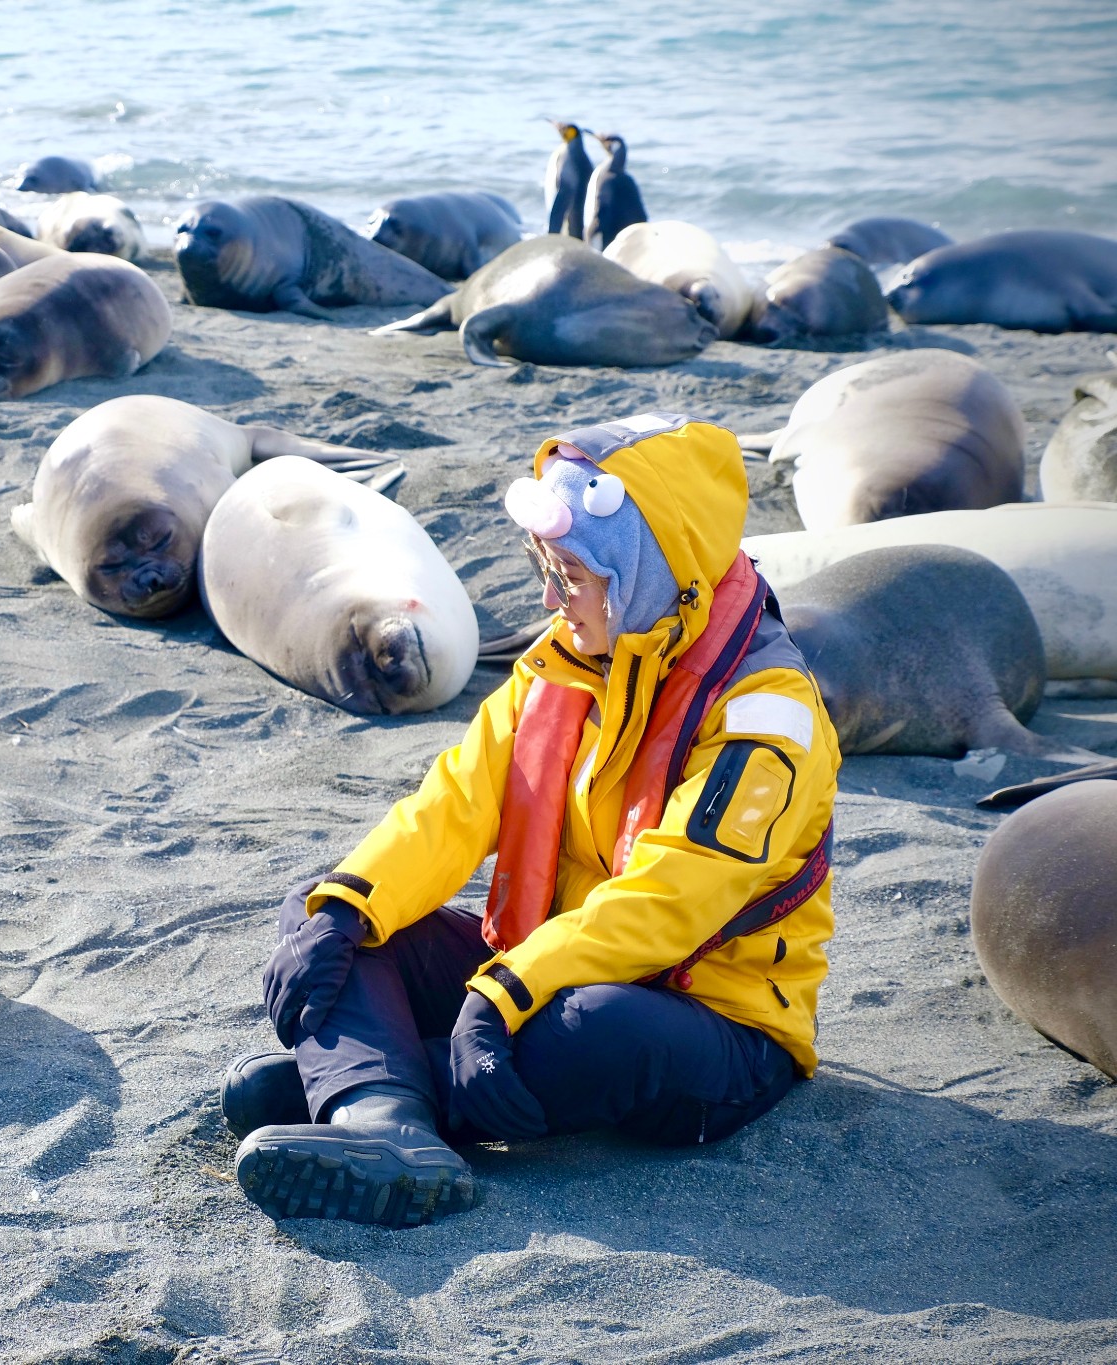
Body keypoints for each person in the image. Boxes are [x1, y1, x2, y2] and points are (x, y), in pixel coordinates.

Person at [223, 412, 839, 1227]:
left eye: (572, 577)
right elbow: (450, 806)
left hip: (715, 1017)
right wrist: (345, 909)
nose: (551, 600)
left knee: (599, 1024)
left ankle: (372, 1081)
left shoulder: (769, 716)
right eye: (546, 571)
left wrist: (504, 992)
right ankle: (383, 1117)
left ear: (652, 573)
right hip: (542, 968)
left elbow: (671, 900)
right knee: (331, 910)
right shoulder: (566, 661)